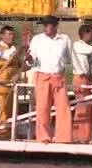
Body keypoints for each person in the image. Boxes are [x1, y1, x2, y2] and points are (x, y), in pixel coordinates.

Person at [25, 15, 73, 144]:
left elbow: (68, 59)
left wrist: (61, 64)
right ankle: (43, 137)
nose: (46, 28)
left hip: (58, 76)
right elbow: (32, 59)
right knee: (42, 108)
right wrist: (29, 59)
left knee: (63, 108)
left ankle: (63, 138)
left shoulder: (65, 39)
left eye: (49, 25)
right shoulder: (37, 39)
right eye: (44, 25)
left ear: (55, 26)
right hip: (43, 76)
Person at [0, 25, 23, 139]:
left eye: (12, 34)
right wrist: (7, 59)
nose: (11, 37)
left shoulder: (15, 49)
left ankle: (11, 132)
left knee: (13, 108)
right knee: (3, 109)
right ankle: (2, 132)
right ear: (2, 35)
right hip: (3, 82)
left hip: (14, 82)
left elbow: (19, 65)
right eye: (9, 34)